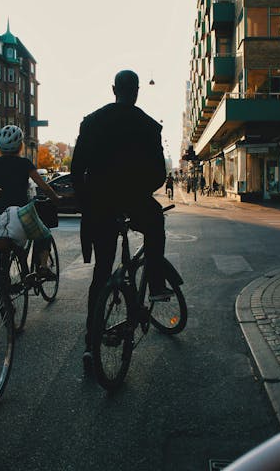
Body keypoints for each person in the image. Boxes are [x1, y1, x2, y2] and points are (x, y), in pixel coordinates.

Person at [71, 70, 173, 369]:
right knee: (155, 224)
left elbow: (77, 170)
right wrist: (138, 191)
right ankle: (155, 284)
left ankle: (91, 343)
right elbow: (159, 173)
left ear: (114, 89)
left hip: (100, 203)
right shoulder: (148, 125)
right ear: (137, 91)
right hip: (134, 199)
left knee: (102, 272)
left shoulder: (91, 122)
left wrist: (87, 203)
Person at [0, 124, 59, 278]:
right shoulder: (25, 163)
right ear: (20, 145)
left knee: (1, 244)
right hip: (20, 213)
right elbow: (43, 186)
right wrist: (56, 198)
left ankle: (2, 286)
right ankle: (42, 267)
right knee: (44, 235)